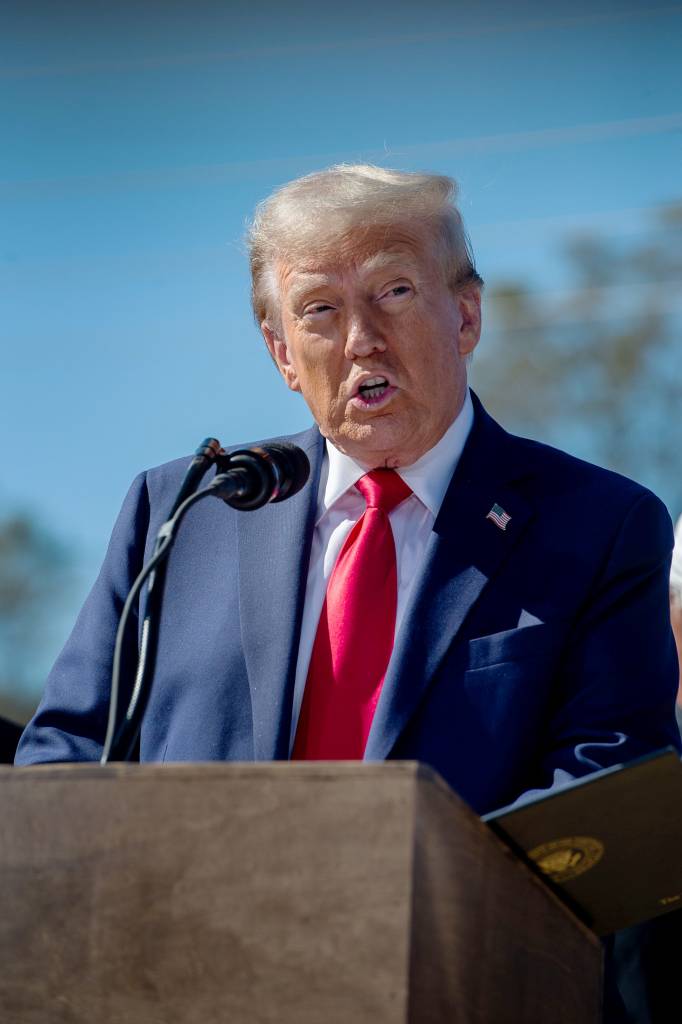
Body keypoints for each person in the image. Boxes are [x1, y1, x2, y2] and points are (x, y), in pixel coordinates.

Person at [15, 165, 681, 819]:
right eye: (321, 310)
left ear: (467, 317)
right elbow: (63, 758)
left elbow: (604, 790)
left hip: (450, 928)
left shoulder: (599, 527)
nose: (362, 340)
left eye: (394, 292)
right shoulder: (183, 512)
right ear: (282, 354)